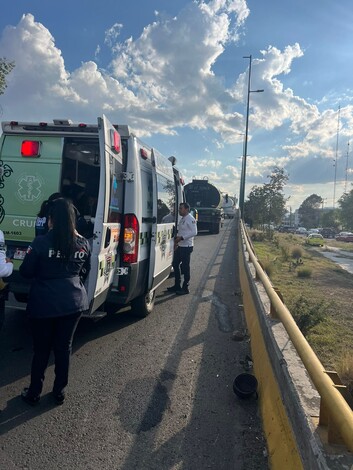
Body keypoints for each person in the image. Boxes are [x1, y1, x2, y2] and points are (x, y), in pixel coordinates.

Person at [19, 198, 91, 406]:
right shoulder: (83, 243)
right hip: (73, 301)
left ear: (51, 220)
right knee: (63, 348)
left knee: (41, 349)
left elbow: (26, 272)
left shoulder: (41, 242)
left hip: (44, 302)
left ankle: (34, 392)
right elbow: (83, 270)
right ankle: (59, 391)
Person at [167, 202, 197, 295]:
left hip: (186, 247)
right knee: (175, 264)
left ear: (187, 209)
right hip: (180, 246)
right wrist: (176, 241)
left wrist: (182, 238)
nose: (179, 210)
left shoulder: (190, 219)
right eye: (179, 208)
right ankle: (177, 285)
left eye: (181, 208)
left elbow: (194, 232)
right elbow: (181, 231)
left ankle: (185, 287)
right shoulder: (183, 219)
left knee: (185, 267)